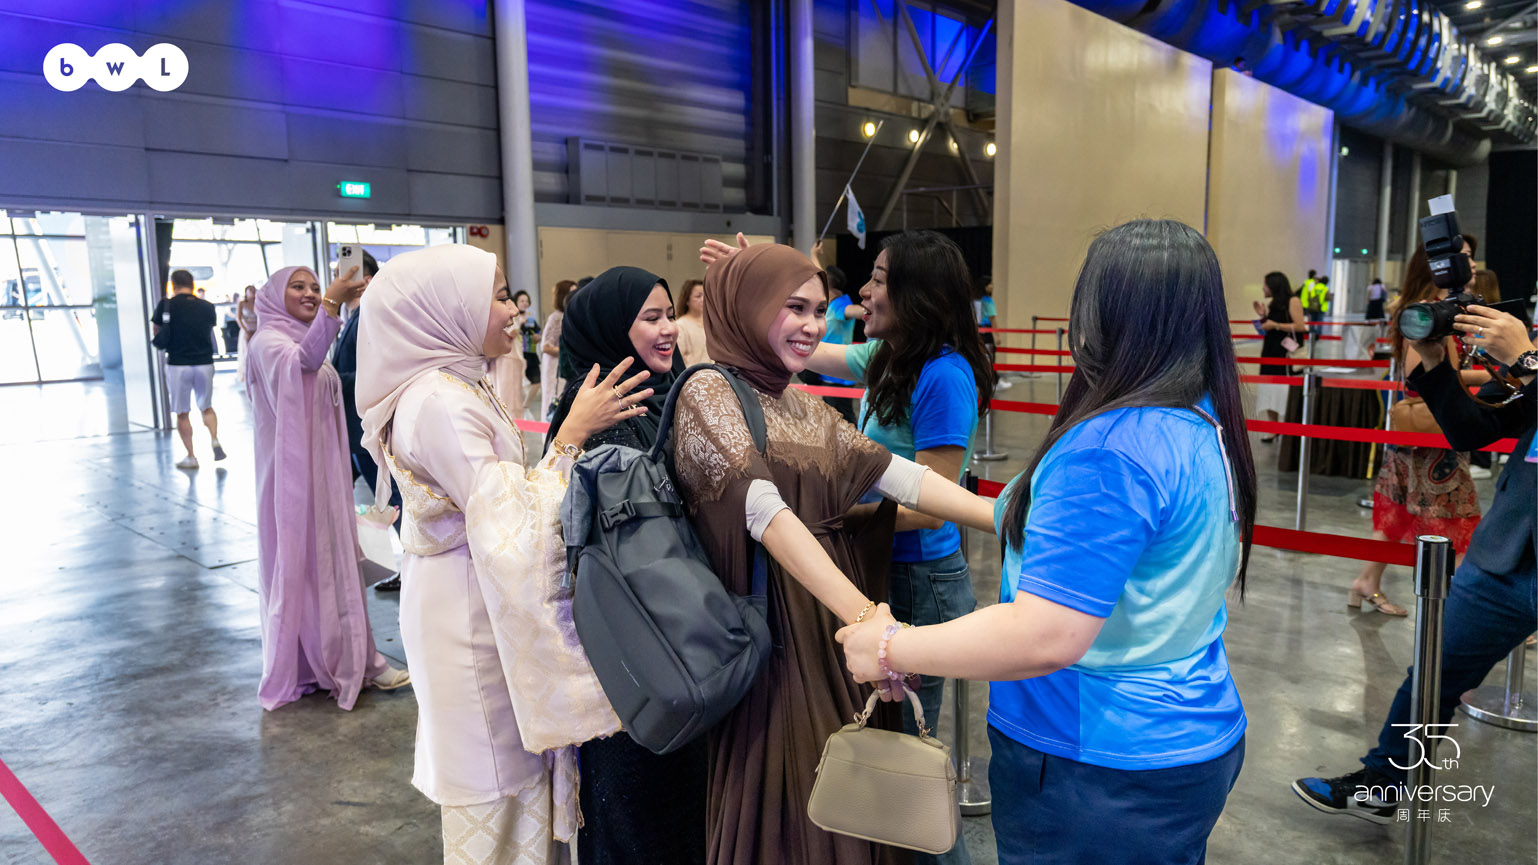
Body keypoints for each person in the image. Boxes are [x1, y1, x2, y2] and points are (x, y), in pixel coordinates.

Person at [834, 219, 1257, 865]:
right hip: (1182, 738)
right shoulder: (1196, 420)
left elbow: (1044, 633)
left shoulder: (1110, 449)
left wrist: (891, 645)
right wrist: (870, 463)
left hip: (1094, 759)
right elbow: (1018, 516)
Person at [680, 241, 997, 865]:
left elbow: (899, 475)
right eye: (793, 307)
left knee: (853, 793)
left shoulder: (799, 401)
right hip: (769, 631)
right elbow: (763, 512)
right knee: (789, 795)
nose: (812, 325)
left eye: (819, 310)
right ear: (750, 306)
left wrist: (1004, 518)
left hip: (825, 625)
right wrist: (867, 617)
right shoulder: (709, 390)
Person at [356, 245, 650, 865]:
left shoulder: (458, 382)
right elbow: (505, 519)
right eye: (496, 297)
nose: (513, 311)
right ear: (447, 310)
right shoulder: (438, 401)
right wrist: (571, 436)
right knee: (494, 781)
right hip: (469, 609)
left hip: (476, 591)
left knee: (514, 779)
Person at [1292, 301, 1535, 825]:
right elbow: (1474, 431)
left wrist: (1527, 361)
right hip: (1510, 553)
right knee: (1434, 672)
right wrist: (1434, 362)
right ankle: (1383, 782)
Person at [542, 266, 703, 865]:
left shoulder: (666, 393)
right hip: (630, 647)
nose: (669, 330)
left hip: (680, 629)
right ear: (612, 327)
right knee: (636, 814)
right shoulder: (590, 413)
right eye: (651, 318)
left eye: (670, 316)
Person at [245, 264, 409, 711]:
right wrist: (334, 303)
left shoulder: (300, 337)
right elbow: (304, 363)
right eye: (298, 286)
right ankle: (324, 662)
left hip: (322, 474)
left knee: (330, 562)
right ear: (273, 297)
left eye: (316, 287)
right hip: (292, 479)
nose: (310, 293)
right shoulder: (269, 342)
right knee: (304, 562)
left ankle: (350, 658)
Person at [1349, 241, 1489, 617]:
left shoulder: (1439, 307)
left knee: (1399, 513)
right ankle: (1469, 612)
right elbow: (1425, 375)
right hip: (1433, 436)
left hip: (1428, 433)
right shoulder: (1428, 312)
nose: (1471, 263)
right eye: (1463, 256)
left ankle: (1366, 581)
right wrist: (1492, 374)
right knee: (1454, 523)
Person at [329, 250, 404, 592]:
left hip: (365, 426)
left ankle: (408, 565)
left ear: (367, 280)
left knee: (391, 496)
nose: (340, 280)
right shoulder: (353, 317)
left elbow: (376, 373)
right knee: (379, 496)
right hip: (355, 426)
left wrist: (331, 378)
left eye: (348, 274)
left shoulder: (369, 317)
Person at [152, 269, 224, 470]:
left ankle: (191, 456)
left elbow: (157, 331)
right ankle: (214, 438)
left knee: (182, 412)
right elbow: (208, 329)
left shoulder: (166, 305)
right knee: (206, 406)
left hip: (178, 363)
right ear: (192, 284)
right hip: (204, 362)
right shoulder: (207, 307)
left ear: (173, 284)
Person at [1251, 271, 1306, 441]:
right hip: (1270, 350)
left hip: (1286, 352)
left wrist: (1276, 325)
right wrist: (1262, 316)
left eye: (1265, 284)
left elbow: (1300, 326)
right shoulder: (1273, 303)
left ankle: (1289, 428)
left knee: (1285, 389)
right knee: (1269, 389)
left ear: (1274, 285)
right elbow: (1268, 327)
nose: (1263, 288)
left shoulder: (1293, 301)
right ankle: (1273, 428)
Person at [538, 279, 577, 422]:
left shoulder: (571, 315)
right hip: (555, 367)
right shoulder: (555, 318)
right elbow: (545, 346)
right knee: (554, 400)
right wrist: (567, 350)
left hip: (566, 365)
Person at [675, 278, 713, 368]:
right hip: (691, 374)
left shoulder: (712, 323)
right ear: (687, 300)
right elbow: (678, 359)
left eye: (705, 295)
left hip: (712, 373)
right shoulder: (680, 325)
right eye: (698, 296)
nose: (703, 299)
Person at [514, 289, 542, 388]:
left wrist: (538, 337)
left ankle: (528, 399)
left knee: (536, 382)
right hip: (518, 355)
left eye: (527, 301)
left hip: (531, 354)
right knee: (519, 385)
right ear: (516, 302)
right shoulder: (513, 317)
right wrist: (520, 322)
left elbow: (538, 331)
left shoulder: (530, 318)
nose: (525, 303)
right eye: (522, 301)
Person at [236, 284, 258, 391]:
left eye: (254, 290)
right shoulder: (242, 303)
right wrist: (245, 330)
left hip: (257, 330)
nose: (253, 292)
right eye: (251, 290)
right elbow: (238, 318)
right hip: (247, 330)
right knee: (246, 353)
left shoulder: (258, 303)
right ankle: (246, 375)